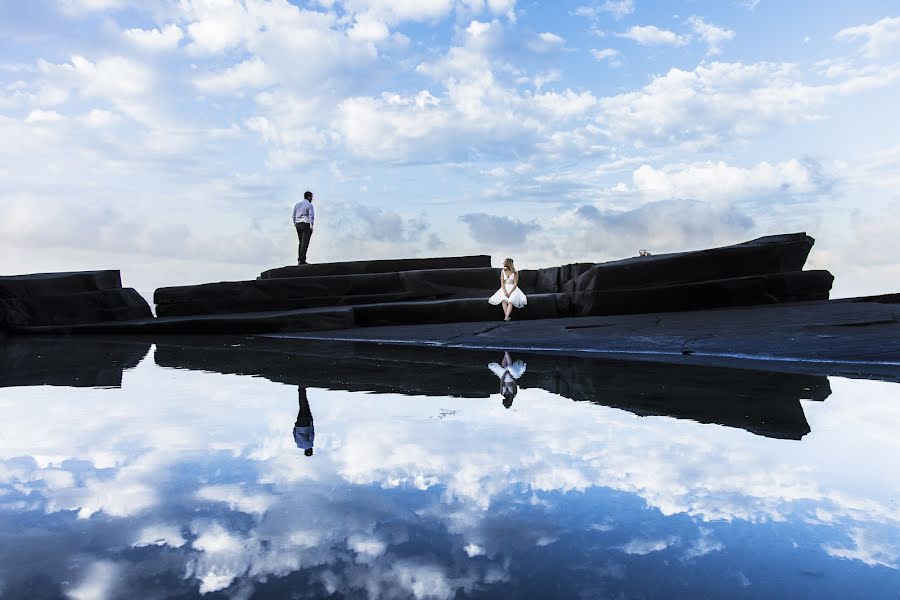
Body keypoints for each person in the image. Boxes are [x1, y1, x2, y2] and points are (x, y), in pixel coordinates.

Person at [293, 190, 315, 265]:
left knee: (301, 242)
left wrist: (295, 224)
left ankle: (300, 259)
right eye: (311, 197)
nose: (312, 199)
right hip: (305, 224)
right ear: (309, 197)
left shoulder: (297, 205)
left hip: (298, 224)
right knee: (305, 243)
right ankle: (302, 260)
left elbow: (293, 216)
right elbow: (311, 216)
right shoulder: (309, 205)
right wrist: (311, 226)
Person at [293, 387, 314, 456]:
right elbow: (294, 435)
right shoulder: (298, 445)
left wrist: (311, 422)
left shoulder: (310, 444)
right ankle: (300, 391)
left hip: (306, 424)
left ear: (310, 450)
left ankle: (302, 389)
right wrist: (295, 426)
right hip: (298, 425)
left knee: (305, 406)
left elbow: (311, 434)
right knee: (301, 406)